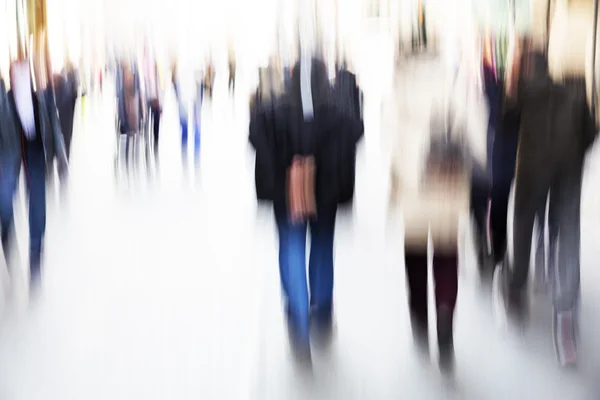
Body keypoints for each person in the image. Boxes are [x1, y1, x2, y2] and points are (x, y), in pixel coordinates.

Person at [383, 40, 488, 373]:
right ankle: (444, 319)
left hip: (414, 182)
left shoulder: (400, 86)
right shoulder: (455, 82)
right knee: (446, 253)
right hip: (447, 179)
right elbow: (476, 127)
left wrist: (396, 179)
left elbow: (387, 136)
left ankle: (419, 320)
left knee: (414, 253)